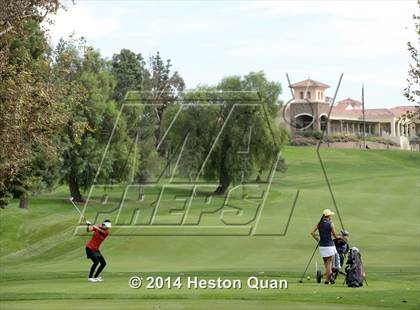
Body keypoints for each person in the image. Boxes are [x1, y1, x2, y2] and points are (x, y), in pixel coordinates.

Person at [310, 209, 338, 284]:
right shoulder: (330, 223)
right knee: (329, 262)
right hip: (329, 245)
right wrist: (337, 238)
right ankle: (328, 280)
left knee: (326, 262)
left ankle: (330, 278)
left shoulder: (319, 223)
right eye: (330, 215)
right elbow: (334, 234)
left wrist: (317, 240)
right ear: (328, 216)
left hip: (322, 246)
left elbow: (312, 233)